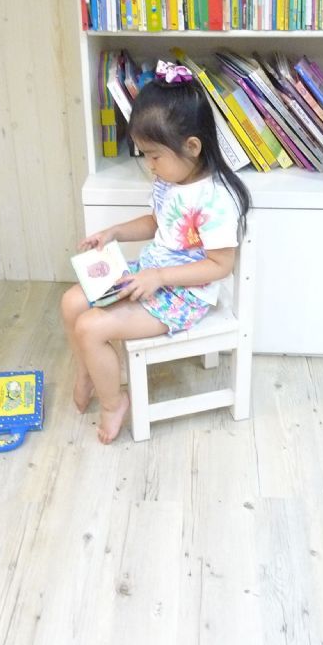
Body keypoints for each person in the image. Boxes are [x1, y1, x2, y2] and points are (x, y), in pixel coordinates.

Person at [61, 60, 251, 444]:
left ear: (192, 146)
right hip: (149, 274)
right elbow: (157, 222)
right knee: (71, 303)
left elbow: (220, 265)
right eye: (144, 155)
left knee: (90, 327)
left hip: (182, 296)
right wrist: (115, 232)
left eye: (154, 155)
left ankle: (114, 402)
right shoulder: (171, 179)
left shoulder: (215, 200)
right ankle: (89, 370)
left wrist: (160, 277)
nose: (149, 165)